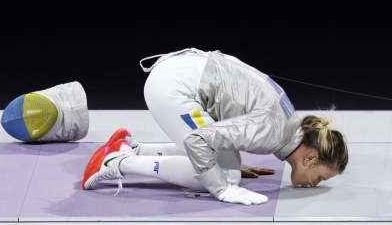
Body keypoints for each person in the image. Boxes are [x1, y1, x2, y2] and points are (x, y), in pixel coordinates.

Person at [82, 48, 349, 205]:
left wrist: (230, 156)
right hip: (174, 88)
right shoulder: (270, 132)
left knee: (226, 164)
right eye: (321, 177)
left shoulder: (289, 124)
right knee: (227, 176)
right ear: (311, 157)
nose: (315, 185)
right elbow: (198, 141)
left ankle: (133, 148)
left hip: (182, 70)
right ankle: (118, 161)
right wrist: (222, 188)